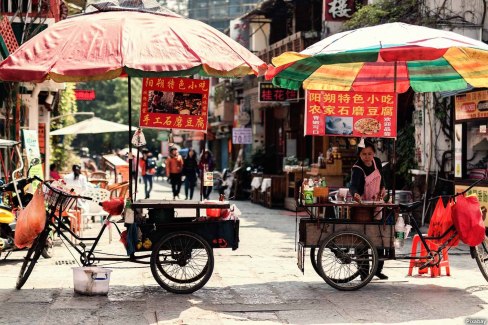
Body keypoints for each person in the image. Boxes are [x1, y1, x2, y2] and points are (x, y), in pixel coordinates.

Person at [349, 138, 388, 280]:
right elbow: (352, 186)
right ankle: (364, 271)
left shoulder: (377, 162)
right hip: (362, 208)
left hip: (377, 204)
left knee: (380, 235)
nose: (367, 157)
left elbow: (382, 179)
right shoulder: (357, 168)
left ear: (374, 153)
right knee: (362, 239)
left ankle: (377, 269)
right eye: (364, 154)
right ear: (359, 155)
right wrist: (355, 195)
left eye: (370, 154)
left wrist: (383, 188)